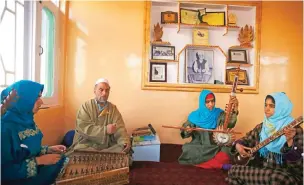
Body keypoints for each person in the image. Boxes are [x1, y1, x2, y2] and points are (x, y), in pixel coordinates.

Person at [226, 92, 303, 185]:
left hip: (284, 174)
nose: (267, 109)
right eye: (265, 105)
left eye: (272, 106)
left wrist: (290, 142)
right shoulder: (262, 127)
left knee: (277, 178)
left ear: (281, 108)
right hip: (263, 172)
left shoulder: (296, 130)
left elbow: (298, 166)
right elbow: (246, 139)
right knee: (234, 170)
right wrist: (239, 145)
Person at [1, 80, 68, 185]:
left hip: (33, 171)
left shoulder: (26, 119)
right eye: (37, 98)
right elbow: (4, 172)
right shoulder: (5, 127)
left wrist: (48, 149)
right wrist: (39, 161)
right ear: (23, 100)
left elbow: (24, 150)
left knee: (62, 158)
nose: (41, 102)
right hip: (18, 179)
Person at [71, 78, 132, 163]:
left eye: (107, 91)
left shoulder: (113, 109)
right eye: (101, 90)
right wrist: (105, 130)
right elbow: (83, 128)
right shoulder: (85, 106)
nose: (104, 93)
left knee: (123, 149)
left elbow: (120, 128)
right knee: (80, 152)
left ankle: (101, 159)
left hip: (107, 146)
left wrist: (124, 141)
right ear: (95, 90)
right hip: (87, 144)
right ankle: (105, 160)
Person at [178, 89, 239, 170]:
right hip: (200, 145)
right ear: (202, 102)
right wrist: (187, 130)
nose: (211, 104)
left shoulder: (219, 113)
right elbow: (185, 130)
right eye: (207, 102)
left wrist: (235, 108)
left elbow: (230, 123)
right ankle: (219, 165)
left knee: (227, 151)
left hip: (216, 146)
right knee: (188, 149)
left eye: (212, 101)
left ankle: (207, 164)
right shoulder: (195, 116)